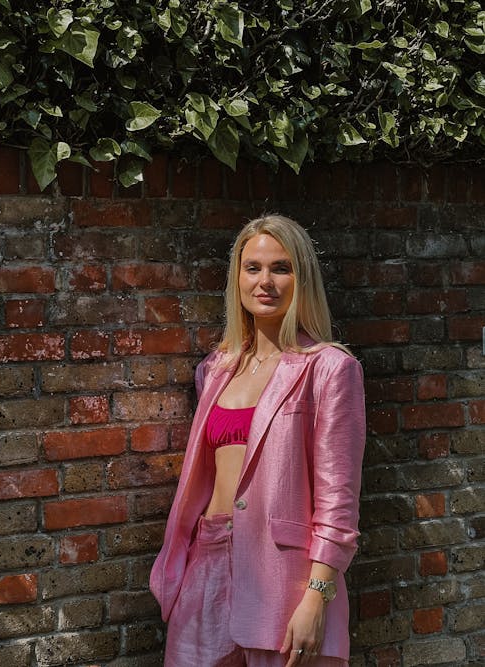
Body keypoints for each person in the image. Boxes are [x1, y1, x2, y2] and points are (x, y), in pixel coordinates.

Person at [150, 214, 366, 667]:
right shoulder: (215, 369)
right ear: (238, 278)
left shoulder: (329, 368)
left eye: (280, 268)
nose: (264, 281)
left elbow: (338, 502)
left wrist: (317, 597)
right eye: (253, 268)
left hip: (283, 578)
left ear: (301, 278)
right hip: (206, 565)